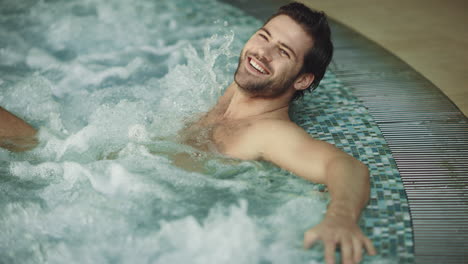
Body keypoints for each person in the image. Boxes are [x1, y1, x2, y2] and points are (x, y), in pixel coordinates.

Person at [0, 2, 377, 263]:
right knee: (38, 143)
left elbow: (347, 167)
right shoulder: (227, 92)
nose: (261, 53)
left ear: (303, 79)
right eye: (263, 36)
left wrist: (340, 217)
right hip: (84, 170)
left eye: (283, 52)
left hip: (112, 209)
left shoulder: (268, 131)